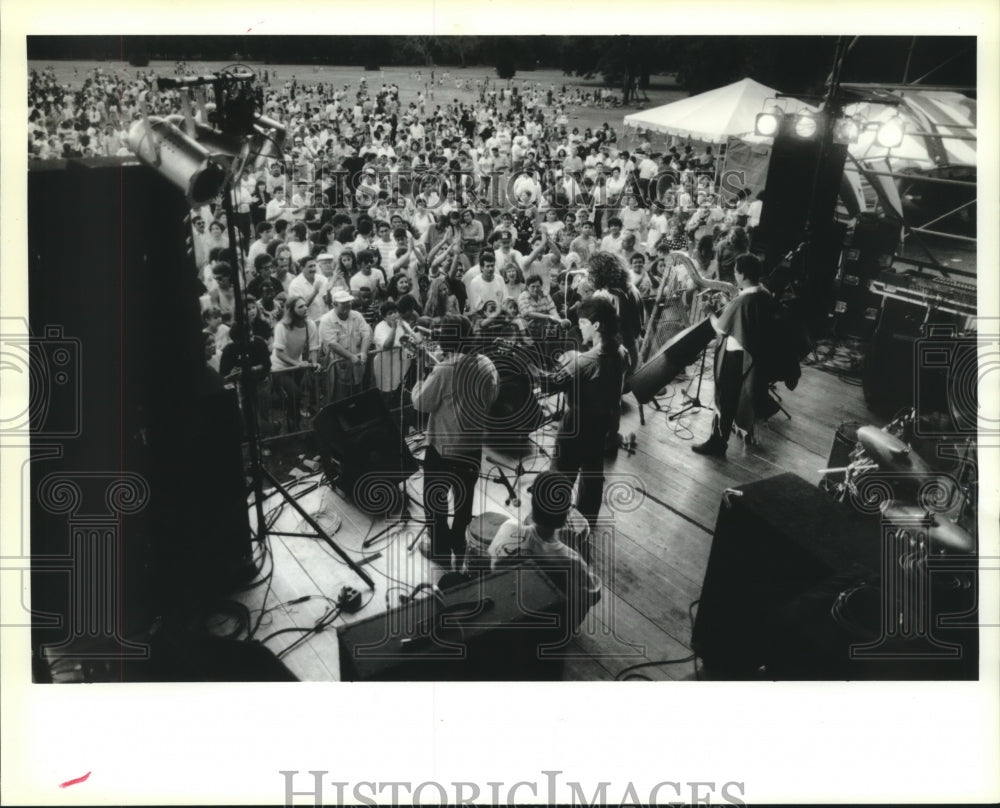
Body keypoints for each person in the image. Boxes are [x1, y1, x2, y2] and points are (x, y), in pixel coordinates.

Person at [411, 314, 499, 571]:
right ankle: (459, 545)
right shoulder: (486, 363)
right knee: (464, 501)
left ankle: (439, 550)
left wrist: (420, 377)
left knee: (435, 503)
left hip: (443, 450)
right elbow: (491, 396)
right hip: (472, 449)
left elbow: (421, 403)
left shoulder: (444, 369)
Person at [546, 297, 628, 530]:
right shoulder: (621, 353)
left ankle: (551, 524)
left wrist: (530, 366)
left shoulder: (585, 362)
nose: (579, 326)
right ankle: (585, 525)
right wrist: (613, 432)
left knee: (560, 476)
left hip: (575, 425)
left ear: (597, 326)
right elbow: (616, 400)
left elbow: (550, 384)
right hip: (601, 425)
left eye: (582, 322)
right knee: (592, 476)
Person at [488, 470, 601, 627]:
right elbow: (593, 596)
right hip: (544, 628)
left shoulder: (507, 527)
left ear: (533, 505)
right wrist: (576, 551)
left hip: (505, 610)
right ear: (566, 513)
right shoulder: (570, 559)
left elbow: (493, 563)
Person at [692, 253, 777, 458]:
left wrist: (710, 311)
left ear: (741, 274)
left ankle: (717, 443)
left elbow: (721, 330)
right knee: (733, 399)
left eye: (736, 272)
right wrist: (729, 302)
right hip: (752, 357)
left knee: (725, 400)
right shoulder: (764, 293)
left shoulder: (742, 301)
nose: (735, 276)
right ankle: (724, 437)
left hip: (735, 357)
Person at [271, 296, 320, 429]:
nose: (305, 308)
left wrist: (314, 362)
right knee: (294, 394)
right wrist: (297, 364)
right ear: (291, 310)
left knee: (296, 397)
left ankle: (293, 422)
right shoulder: (281, 327)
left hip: (296, 366)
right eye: (300, 306)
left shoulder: (310, 324)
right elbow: (279, 353)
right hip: (279, 367)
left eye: (305, 305)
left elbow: (314, 347)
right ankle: (294, 425)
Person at [318, 289, 372, 403]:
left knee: (358, 393)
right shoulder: (326, 320)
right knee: (339, 397)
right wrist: (351, 357)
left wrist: (363, 352)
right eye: (343, 303)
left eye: (349, 302)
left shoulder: (357, 315)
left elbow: (366, 333)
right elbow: (332, 343)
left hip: (357, 364)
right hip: (337, 365)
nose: (347, 305)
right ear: (334, 304)